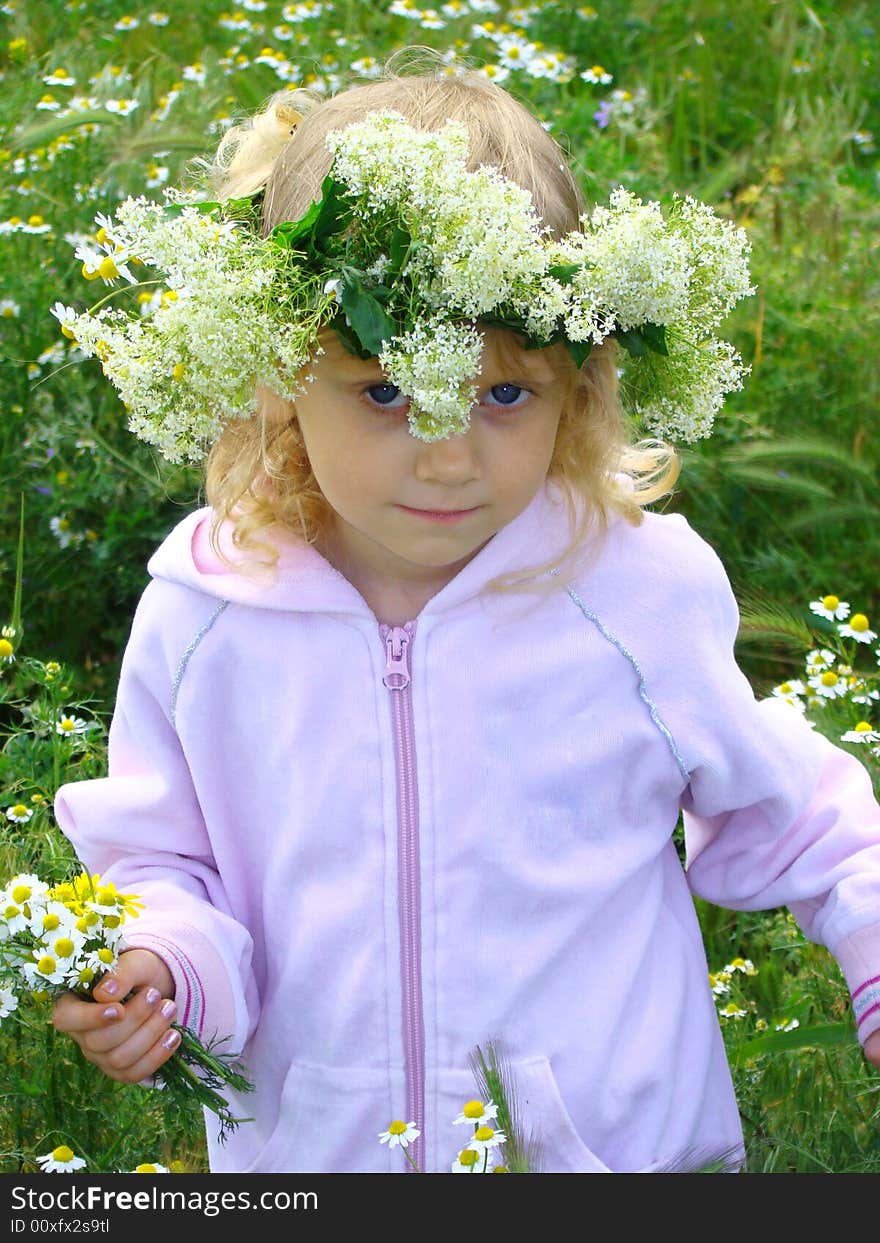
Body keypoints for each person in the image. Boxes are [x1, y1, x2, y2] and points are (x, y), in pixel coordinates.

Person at [51, 54, 880, 1175]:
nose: (446, 453)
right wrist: (164, 959)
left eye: (502, 393)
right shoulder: (208, 613)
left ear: (575, 383)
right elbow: (166, 858)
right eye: (387, 390)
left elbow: (802, 814)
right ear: (282, 374)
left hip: (612, 1158)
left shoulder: (626, 591)